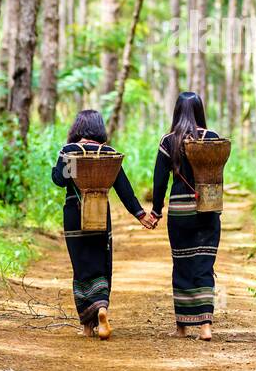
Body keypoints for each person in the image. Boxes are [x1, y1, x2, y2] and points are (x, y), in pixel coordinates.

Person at [50, 109, 153, 340]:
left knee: (81, 266)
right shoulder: (108, 154)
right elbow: (123, 188)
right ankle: (102, 309)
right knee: (100, 263)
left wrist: (61, 168)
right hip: (100, 214)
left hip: (75, 215)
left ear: (78, 128)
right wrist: (140, 214)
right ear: (99, 128)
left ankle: (87, 326)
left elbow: (60, 179)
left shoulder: (71, 151)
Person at [149, 92, 222, 341]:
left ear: (177, 111)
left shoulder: (169, 141)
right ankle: (205, 326)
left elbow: (159, 181)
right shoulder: (212, 138)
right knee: (204, 265)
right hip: (207, 209)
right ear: (200, 110)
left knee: (182, 265)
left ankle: (181, 327)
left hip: (180, 212)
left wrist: (156, 211)